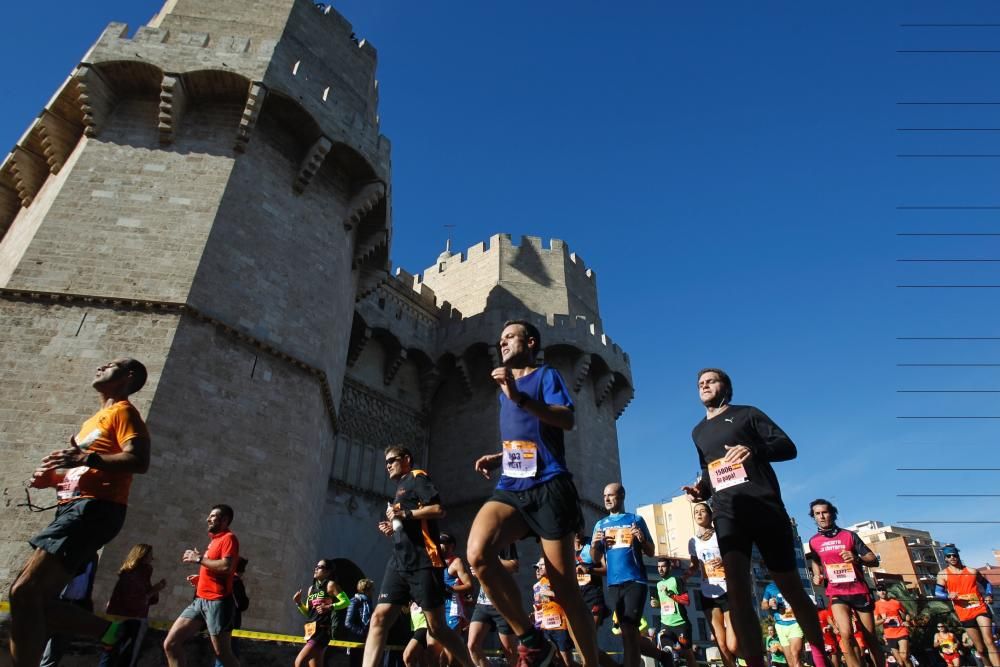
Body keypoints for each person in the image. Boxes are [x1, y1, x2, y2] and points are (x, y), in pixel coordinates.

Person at [466, 320, 598, 667]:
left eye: (510, 337)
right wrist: (499, 456)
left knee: (565, 591)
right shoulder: (503, 391)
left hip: (550, 486)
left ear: (531, 342)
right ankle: (531, 639)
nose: (503, 343)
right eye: (501, 339)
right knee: (477, 555)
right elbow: (525, 435)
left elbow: (565, 420)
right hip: (511, 484)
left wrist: (520, 397)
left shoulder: (546, 376)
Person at [683, 368, 830, 667]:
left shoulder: (746, 414)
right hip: (726, 513)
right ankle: (754, 662)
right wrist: (700, 490)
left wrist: (753, 449)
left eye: (711, 381)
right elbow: (710, 471)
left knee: (789, 586)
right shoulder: (697, 432)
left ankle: (820, 655)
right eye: (700, 383)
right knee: (736, 591)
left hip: (763, 506)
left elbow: (788, 447)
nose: (704, 385)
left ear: (726, 387)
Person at [9, 358, 150, 667]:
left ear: (127, 376)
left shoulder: (124, 412)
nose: (101, 365)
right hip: (72, 507)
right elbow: (78, 470)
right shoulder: (93, 421)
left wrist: (87, 457)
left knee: (24, 591)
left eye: (111, 364)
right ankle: (117, 632)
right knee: (30, 601)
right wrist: (52, 479)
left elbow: (139, 460)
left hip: (95, 507)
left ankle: (117, 631)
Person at [362, 445, 473, 667]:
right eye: (385, 462)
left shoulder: (417, 477)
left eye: (392, 460)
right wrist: (393, 528)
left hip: (424, 561)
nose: (388, 465)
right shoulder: (400, 488)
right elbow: (412, 523)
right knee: (379, 618)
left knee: (438, 629)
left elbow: (438, 510)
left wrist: (404, 513)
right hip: (399, 562)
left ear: (406, 459)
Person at [806, 499, 883, 667]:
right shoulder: (814, 541)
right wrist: (817, 575)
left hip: (858, 590)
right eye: (817, 514)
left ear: (832, 514)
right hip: (836, 593)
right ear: (814, 517)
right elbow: (816, 561)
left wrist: (856, 558)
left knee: (870, 637)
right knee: (845, 635)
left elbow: (873, 560)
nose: (822, 516)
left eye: (825, 512)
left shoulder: (849, 535)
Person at [162, 504, 241, 667]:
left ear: (224, 520)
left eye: (212, 516)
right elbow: (214, 567)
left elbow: (226, 566)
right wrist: (202, 578)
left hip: (218, 602)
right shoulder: (214, 541)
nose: (208, 519)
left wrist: (198, 559)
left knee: (223, 654)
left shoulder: (229, 538)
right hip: (199, 601)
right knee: (171, 644)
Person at [591, 482, 654, 667]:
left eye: (611, 495)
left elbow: (651, 551)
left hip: (635, 580)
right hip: (613, 583)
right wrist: (595, 544)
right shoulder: (600, 524)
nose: (607, 499)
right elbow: (595, 557)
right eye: (604, 496)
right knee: (625, 631)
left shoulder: (635, 519)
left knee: (629, 628)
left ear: (622, 496)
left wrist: (642, 539)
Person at [686, 502, 736, 667]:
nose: (699, 514)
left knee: (732, 644)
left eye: (702, 511)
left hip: (726, 589)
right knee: (721, 644)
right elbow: (694, 565)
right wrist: (686, 575)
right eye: (696, 512)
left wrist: (723, 560)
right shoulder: (692, 541)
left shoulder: (720, 535)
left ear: (710, 515)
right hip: (707, 592)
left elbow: (733, 556)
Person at [100, 544, 166, 667]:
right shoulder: (133, 576)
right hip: (131, 622)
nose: (152, 559)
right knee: (122, 657)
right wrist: (153, 591)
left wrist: (155, 590)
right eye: (150, 556)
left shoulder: (141, 574)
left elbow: (148, 599)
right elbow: (135, 602)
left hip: (120, 620)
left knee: (111, 655)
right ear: (142, 556)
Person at [936, 545, 997, 667]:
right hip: (964, 613)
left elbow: (986, 584)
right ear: (946, 559)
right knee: (980, 649)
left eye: (954, 555)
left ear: (958, 556)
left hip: (980, 607)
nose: (952, 557)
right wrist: (948, 595)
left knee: (989, 641)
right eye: (949, 556)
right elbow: (937, 593)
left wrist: (989, 595)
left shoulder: (971, 571)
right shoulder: (943, 574)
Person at [39, 554, 99, 667]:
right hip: (58, 602)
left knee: (59, 646)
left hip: (76, 605)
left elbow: (89, 580)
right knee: (37, 643)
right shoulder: (73, 550)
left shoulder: (93, 557)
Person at [467, 544, 520, 667]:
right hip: (482, 603)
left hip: (503, 604)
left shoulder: (505, 540)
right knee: (472, 645)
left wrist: (487, 561)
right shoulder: (479, 543)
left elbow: (514, 565)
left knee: (509, 651)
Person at [292, 558, 351, 667]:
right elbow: (309, 613)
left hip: (322, 631)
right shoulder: (311, 589)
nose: (316, 569)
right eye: (316, 566)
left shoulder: (331, 585)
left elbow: (346, 602)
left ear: (328, 572)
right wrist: (299, 603)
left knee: (299, 662)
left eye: (320, 567)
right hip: (310, 630)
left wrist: (329, 606)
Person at [652, 558, 696, 667]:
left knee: (688, 655)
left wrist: (671, 594)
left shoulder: (676, 580)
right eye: (658, 567)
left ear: (670, 567)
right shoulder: (658, 585)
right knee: (666, 651)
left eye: (663, 566)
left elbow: (686, 600)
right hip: (666, 624)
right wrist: (656, 603)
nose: (660, 569)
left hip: (680, 624)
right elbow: (663, 603)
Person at [532, 559, 575, 667]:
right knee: (555, 659)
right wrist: (537, 611)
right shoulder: (541, 582)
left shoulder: (557, 578)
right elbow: (545, 603)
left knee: (567, 661)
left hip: (560, 626)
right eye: (538, 566)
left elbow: (568, 596)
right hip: (546, 626)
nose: (539, 568)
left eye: (542, 565)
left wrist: (551, 593)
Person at [760, 582, 804, 667]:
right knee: (790, 662)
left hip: (795, 624)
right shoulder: (770, 587)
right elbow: (763, 605)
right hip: (780, 626)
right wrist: (769, 603)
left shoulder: (793, 583)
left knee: (795, 655)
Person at [574, 532, 608, 630]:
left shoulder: (593, 544)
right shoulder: (566, 548)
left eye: (579, 529)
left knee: (590, 632)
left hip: (593, 595)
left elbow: (606, 570)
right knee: (579, 636)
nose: (577, 533)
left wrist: (589, 570)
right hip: (576, 596)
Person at [873, 587, 910, 667]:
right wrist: (883, 620)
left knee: (904, 657)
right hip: (889, 635)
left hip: (901, 631)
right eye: (879, 590)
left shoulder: (895, 602)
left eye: (883, 589)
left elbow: (906, 613)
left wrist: (906, 621)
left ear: (886, 591)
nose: (882, 592)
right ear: (877, 593)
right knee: (900, 662)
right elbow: (875, 623)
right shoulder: (876, 605)